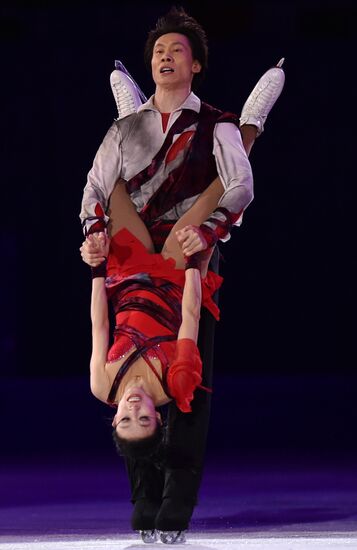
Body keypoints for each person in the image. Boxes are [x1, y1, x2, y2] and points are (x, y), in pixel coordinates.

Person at [80, 6, 285, 543]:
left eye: (177, 50)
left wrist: (209, 235)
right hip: (135, 247)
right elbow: (95, 190)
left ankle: (175, 502)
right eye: (158, 51)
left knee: (189, 388)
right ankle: (142, 497)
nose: (166, 56)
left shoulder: (211, 122)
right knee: (118, 159)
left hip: (185, 246)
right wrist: (93, 237)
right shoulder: (124, 133)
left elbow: (240, 188)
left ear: (195, 65)